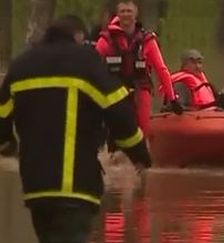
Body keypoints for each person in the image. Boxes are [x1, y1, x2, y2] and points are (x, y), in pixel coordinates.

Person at [0, 15, 151, 243]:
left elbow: (2, 117)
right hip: (76, 187)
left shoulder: (21, 66)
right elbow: (118, 110)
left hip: (36, 188)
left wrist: (8, 145)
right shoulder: (86, 63)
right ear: (78, 37)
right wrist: (139, 153)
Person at [95, 0, 182, 136]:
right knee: (115, 130)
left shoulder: (147, 40)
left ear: (136, 13)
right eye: (122, 11)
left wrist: (172, 98)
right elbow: (92, 66)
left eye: (129, 11)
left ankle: (142, 148)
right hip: (115, 91)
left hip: (140, 89)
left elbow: (161, 70)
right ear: (117, 14)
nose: (126, 15)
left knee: (143, 128)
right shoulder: (106, 40)